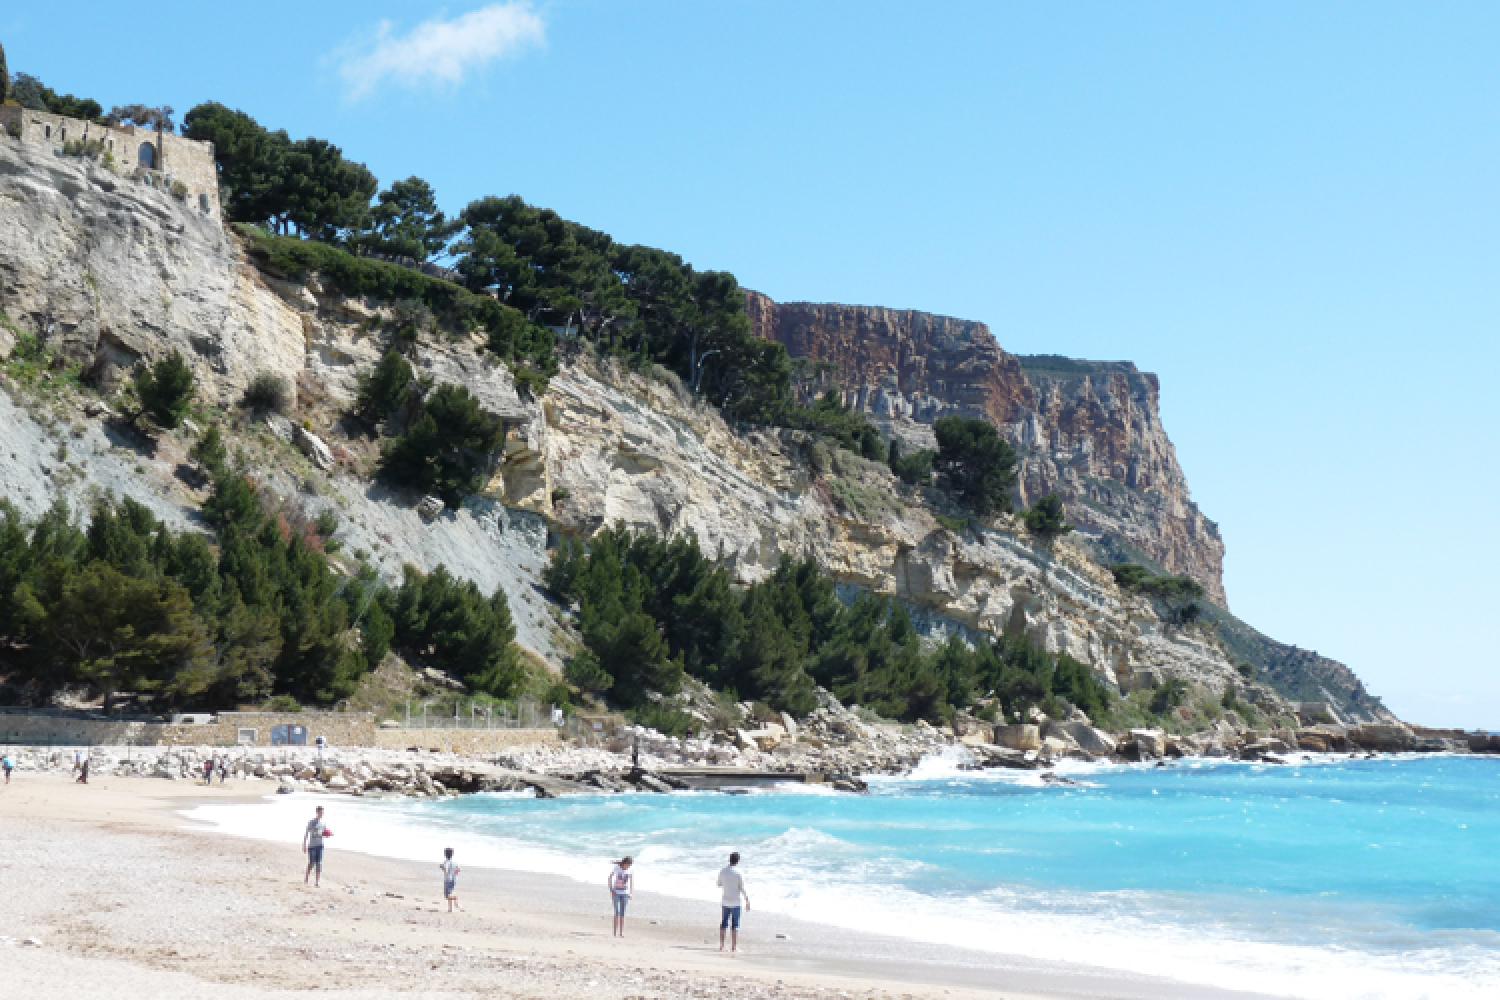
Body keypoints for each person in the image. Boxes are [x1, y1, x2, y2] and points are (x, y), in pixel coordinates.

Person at [716, 852, 750, 953]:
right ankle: (734, 947)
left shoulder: (723, 871)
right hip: (736, 902)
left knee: (723, 923)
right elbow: (742, 888)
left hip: (725, 901)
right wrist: (747, 900)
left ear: (729, 859)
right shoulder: (738, 873)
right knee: (735, 925)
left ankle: (722, 946)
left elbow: (718, 884)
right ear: (738, 861)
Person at [302, 805, 329, 886]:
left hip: (320, 846)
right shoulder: (311, 822)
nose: (321, 814)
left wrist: (327, 834)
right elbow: (306, 833)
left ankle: (317, 882)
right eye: (320, 812)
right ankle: (306, 878)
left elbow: (324, 833)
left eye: (322, 812)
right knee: (311, 863)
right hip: (312, 846)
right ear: (317, 812)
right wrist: (304, 845)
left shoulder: (323, 823)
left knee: (319, 863)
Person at [608, 856, 634, 936]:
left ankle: (621, 932)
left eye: (630, 865)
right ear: (624, 863)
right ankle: (615, 932)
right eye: (628, 865)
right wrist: (611, 890)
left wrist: (631, 893)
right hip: (616, 893)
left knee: (623, 913)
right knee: (617, 912)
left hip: (625, 894)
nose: (628, 866)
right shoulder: (617, 868)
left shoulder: (630, 870)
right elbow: (610, 878)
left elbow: (631, 881)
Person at [439, 847, 462, 912]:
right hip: (453, 880)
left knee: (447, 896)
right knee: (450, 893)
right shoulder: (454, 862)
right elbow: (458, 870)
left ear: (445, 854)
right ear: (452, 854)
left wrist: (442, 868)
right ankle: (450, 909)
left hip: (448, 880)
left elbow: (446, 870)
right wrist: (454, 875)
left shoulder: (446, 862)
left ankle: (455, 898)